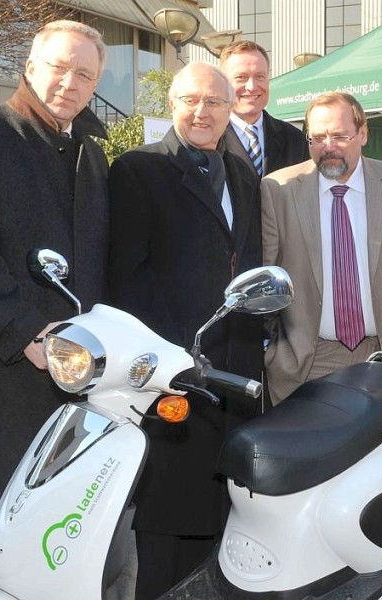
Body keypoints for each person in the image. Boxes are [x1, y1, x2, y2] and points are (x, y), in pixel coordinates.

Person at [0, 20, 109, 596]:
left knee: (55, 531)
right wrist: (31, 335)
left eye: (85, 73)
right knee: (1, 527)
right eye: (59, 66)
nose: (70, 81)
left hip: (72, 372)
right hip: (1, 366)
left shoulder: (89, 151)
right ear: (30, 67)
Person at [107, 62, 263, 600]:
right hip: (173, 369)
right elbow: (126, 278)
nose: (202, 112)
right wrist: (172, 355)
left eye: (214, 103)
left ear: (230, 110)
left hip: (234, 366)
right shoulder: (137, 170)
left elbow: (248, 261)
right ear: (173, 104)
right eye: (191, 100)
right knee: (167, 510)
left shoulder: (241, 173)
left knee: (220, 508)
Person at [261, 91, 382, 405]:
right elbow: (267, 277)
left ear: (363, 133)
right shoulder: (278, 189)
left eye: (339, 136)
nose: (329, 147)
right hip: (307, 361)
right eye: (318, 138)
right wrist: (275, 343)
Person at [219, 40, 309, 177]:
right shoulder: (210, 138)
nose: (252, 87)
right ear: (223, 83)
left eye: (259, 76)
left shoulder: (295, 140)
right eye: (241, 77)